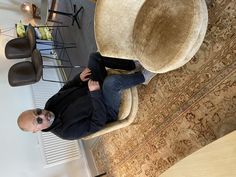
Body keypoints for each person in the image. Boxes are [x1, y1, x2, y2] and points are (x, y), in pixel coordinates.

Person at [17, 52, 156, 140]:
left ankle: (133, 65)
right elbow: (98, 123)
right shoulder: (66, 132)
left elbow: (66, 88)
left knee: (94, 57)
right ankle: (144, 77)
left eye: (37, 112)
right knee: (111, 83)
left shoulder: (49, 104)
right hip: (105, 109)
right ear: (37, 130)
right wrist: (95, 93)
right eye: (39, 121)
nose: (42, 115)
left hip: (92, 88)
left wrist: (78, 79)